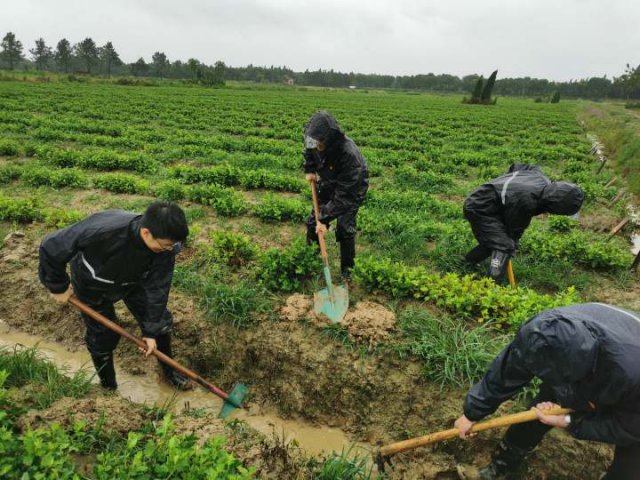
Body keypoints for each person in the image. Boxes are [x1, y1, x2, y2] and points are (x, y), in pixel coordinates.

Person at [454, 303, 640, 479]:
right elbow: (510, 369)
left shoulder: (629, 375)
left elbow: (629, 427)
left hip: (633, 400)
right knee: (539, 412)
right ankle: (502, 465)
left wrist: (567, 421)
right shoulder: (543, 333)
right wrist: (472, 413)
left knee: (629, 470)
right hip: (609, 360)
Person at [38, 201, 191, 391]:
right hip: (92, 283)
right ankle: (108, 386)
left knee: (160, 324)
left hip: (134, 281)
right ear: (146, 233)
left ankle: (170, 372)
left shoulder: (166, 248)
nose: (170, 249)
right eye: (166, 245)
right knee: (103, 335)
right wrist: (58, 286)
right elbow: (51, 246)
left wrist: (150, 331)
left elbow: (157, 287)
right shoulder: (103, 229)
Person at [463, 164, 584, 283]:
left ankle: (468, 262)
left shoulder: (541, 178)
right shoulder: (526, 202)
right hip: (480, 208)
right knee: (505, 245)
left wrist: (506, 186)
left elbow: (520, 167)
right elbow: (513, 231)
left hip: (494, 203)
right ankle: (490, 285)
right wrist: (511, 244)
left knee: (496, 239)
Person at [303, 111, 369, 280]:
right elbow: (309, 151)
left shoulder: (350, 156)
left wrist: (324, 219)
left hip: (351, 189)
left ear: (330, 139)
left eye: (320, 143)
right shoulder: (315, 140)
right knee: (313, 223)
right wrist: (310, 168)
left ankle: (347, 272)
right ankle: (311, 261)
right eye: (314, 142)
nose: (316, 146)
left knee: (345, 227)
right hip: (328, 181)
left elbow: (344, 197)